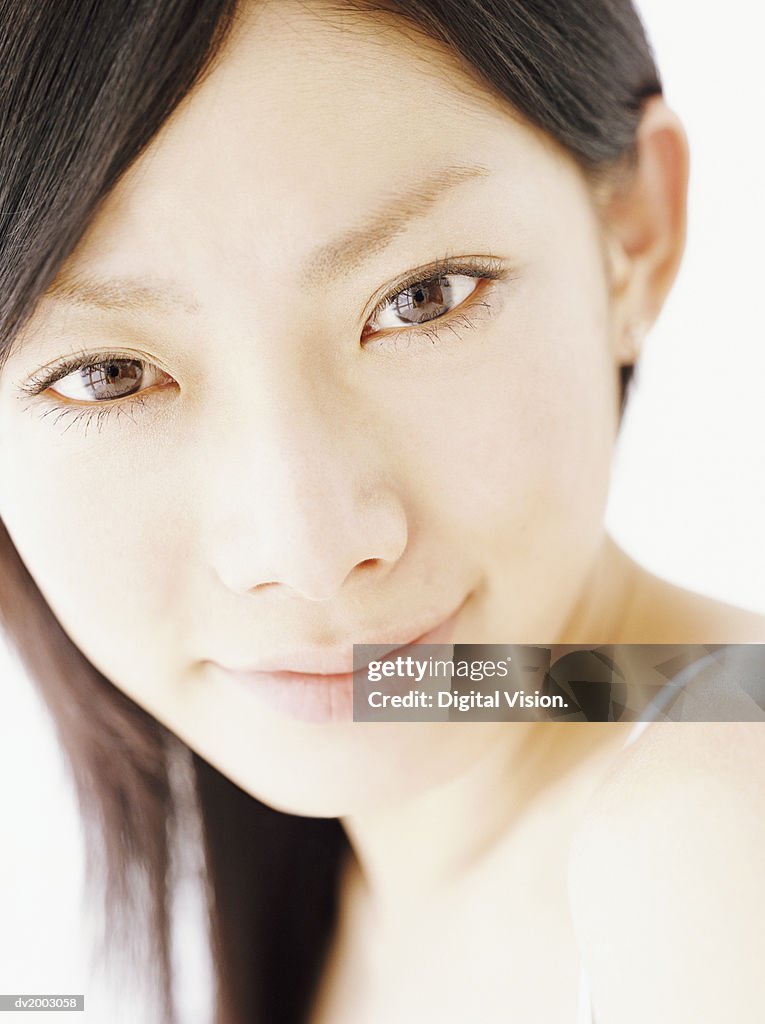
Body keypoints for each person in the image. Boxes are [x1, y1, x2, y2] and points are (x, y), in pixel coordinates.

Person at [0, 1, 763, 1021]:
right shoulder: (321, 877)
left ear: (632, 232)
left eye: (424, 298)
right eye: (106, 375)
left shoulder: (715, 835)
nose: (308, 551)